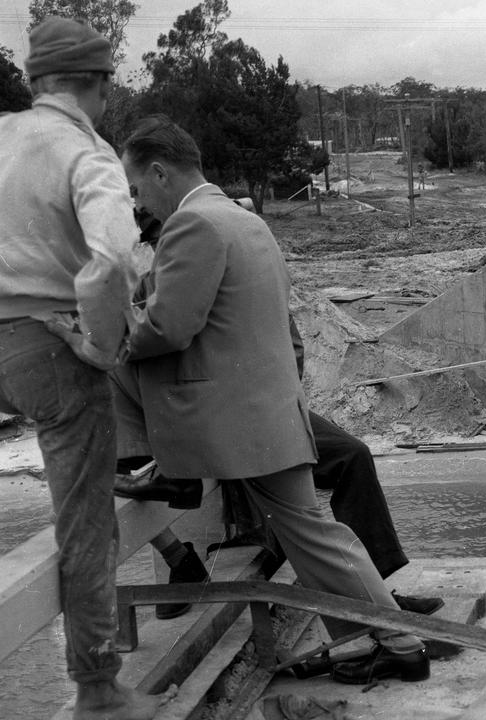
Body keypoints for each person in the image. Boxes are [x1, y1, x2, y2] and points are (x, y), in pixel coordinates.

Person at [109, 115, 429, 685]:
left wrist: (111, 321)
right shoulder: (246, 221)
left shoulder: (192, 226)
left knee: (106, 356)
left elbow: (167, 331)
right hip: (270, 413)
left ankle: (398, 643)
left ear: (159, 172)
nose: (138, 201)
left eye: (137, 188)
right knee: (314, 536)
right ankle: (368, 639)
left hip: (233, 424)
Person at [0, 17, 163, 720]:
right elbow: (111, 264)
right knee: (85, 522)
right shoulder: (84, 152)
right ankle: (97, 686)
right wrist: (101, 346)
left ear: (38, 82)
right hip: (48, 346)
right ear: (96, 86)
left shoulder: (4, 136)